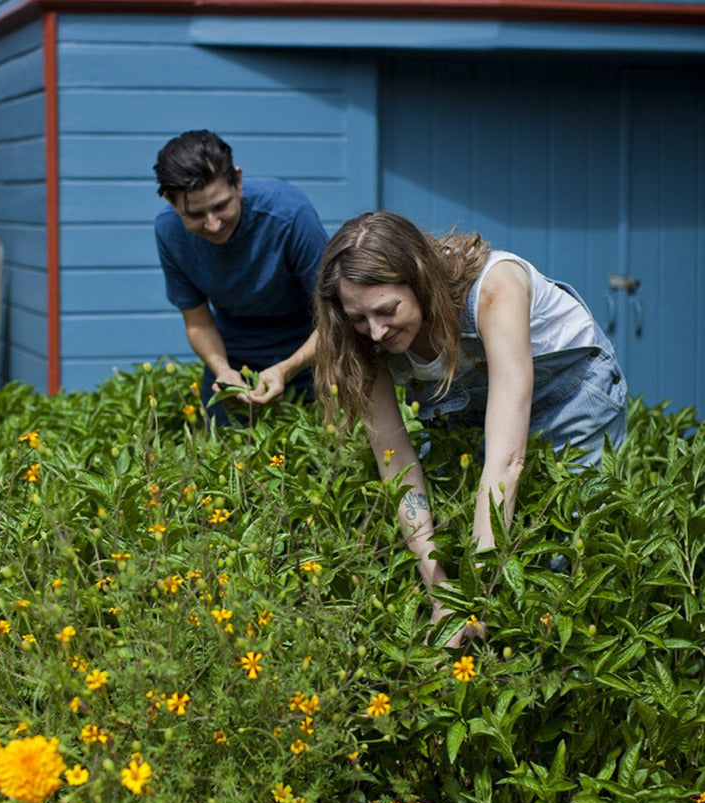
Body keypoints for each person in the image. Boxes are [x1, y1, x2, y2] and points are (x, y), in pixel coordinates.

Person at [314, 211, 627, 640]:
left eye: (387, 311)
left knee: (572, 540)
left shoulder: (496, 290)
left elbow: (506, 460)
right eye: (358, 318)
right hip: (473, 402)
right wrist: (440, 593)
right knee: (457, 522)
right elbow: (396, 465)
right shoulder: (361, 341)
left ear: (419, 279)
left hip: (569, 391)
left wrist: (473, 599)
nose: (375, 331)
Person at [153, 130, 328, 422]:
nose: (212, 224)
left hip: (310, 348)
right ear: (171, 202)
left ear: (237, 179)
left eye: (220, 206)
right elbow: (197, 322)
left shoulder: (290, 214)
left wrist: (286, 368)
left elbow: (335, 317)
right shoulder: (169, 231)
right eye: (196, 214)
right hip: (233, 352)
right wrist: (222, 370)